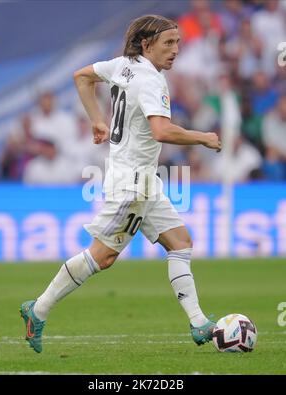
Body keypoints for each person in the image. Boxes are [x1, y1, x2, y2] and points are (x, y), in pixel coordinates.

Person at [20, 15, 221, 353]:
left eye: (178, 43)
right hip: (133, 184)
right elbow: (162, 131)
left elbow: (81, 77)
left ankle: (198, 322)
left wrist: (97, 120)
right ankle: (37, 310)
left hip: (141, 179)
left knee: (181, 242)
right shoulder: (152, 82)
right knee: (103, 256)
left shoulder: (122, 65)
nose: (175, 51)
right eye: (168, 43)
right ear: (146, 45)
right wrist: (202, 137)